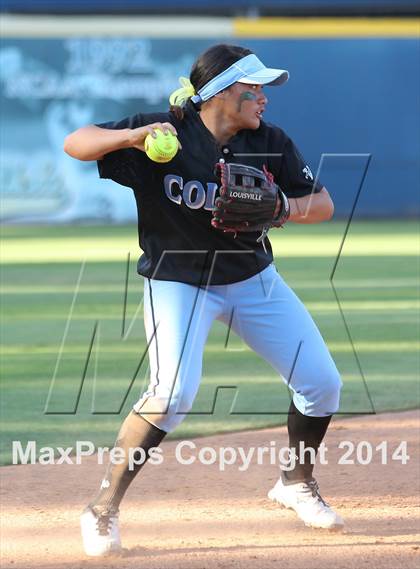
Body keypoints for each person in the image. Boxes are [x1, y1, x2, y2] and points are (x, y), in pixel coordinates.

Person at [64, 43, 344, 557]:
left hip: (252, 280)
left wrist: (281, 204)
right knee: (172, 395)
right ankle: (101, 508)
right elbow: (76, 143)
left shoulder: (271, 141)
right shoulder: (161, 133)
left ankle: (296, 482)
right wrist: (132, 137)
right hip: (178, 282)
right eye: (253, 87)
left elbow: (323, 204)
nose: (263, 97)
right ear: (218, 92)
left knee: (323, 384)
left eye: (264, 88)